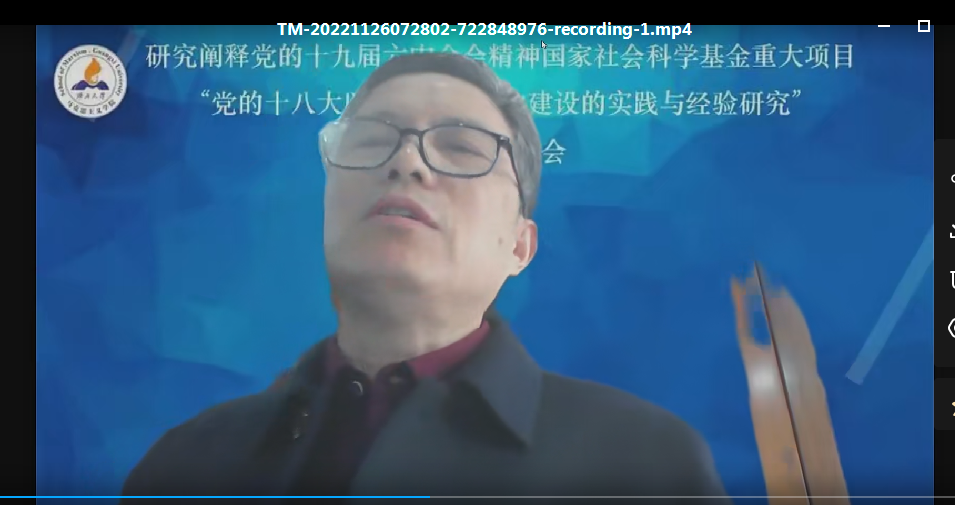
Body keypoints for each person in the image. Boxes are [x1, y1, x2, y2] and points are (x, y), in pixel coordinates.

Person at [121, 52, 728, 499]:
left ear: (520, 246)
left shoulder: (645, 464)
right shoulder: (186, 465)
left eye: (462, 147)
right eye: (370, 140)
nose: (407, 162)